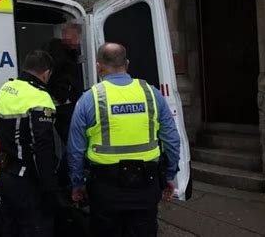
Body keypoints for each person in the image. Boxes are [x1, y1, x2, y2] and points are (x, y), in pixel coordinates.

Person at [67, 43, 181, 237]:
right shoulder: (151, 94)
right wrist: (169, 176)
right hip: (146, 184)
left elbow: (75, 150)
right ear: (127, 63)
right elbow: (172, 140)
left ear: (98, 66)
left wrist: (77, 184)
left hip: (105, 188)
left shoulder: (90, 98)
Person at [0, 50, 61, 237]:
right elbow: (42, 148)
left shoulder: (6, 88)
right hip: (27, 181)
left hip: (6, 173)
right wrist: (50, 188)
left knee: (10, 227)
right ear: (46, 73)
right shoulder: (40, 98)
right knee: (36, 228)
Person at [43, 22, 84, 142]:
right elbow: (54, 75)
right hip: (61, 103)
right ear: (65, 34)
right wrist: (63, 95)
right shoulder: (55, 49)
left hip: (65, 102)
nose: (76, 41)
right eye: (74, 37)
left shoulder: (71, 52)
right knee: (72, 140)